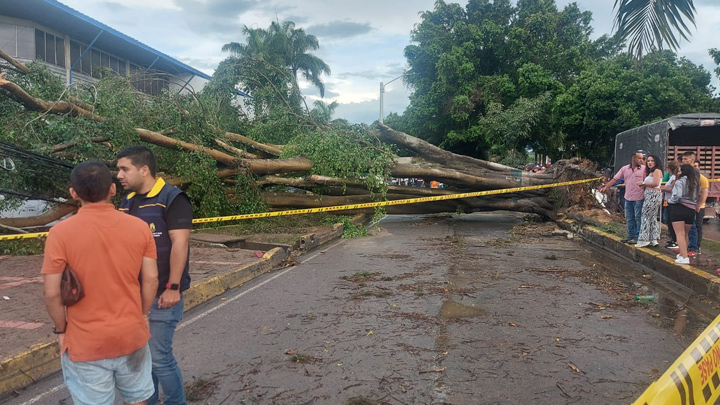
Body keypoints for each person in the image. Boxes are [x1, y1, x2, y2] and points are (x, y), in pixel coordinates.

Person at [42, 161, 159, 405]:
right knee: (138, 400)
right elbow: (151, 279)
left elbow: (52, 294)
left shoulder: (60, 233)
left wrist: (62, 330)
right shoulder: (139, 227)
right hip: (131, 335)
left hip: (86, 342)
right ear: (113, 190)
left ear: (73, 193)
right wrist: (144, 314)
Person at [116, 146, 193, 405]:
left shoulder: (173, 198)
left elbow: (179, 244)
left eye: (124, 168)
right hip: (136, 295)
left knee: (160, 358)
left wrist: (172, 287)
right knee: (144, 360)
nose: (119, 175)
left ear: (144, 169)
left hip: (163, 294)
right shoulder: (127, 202)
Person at [599, 150, 646, 244]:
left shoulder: (644, 169)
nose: (641, 160)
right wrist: (606, 187)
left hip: (639, 197)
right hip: (628, 197)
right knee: (629, 217)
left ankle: (638, 237)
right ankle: (630, 235)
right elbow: (615, 179)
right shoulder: (625, 169)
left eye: (642, 158)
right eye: (639, 158)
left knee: (638, 217)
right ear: (633, 158)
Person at [668, 164, 700, 264]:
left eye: (679, 171)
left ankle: (684, 257)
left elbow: (678, 195)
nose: (678, 173)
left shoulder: (680, 181)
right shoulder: (695, 183)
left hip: (679, 208)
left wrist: (671, 200)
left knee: (679, 234)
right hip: (691, 209)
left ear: (683, 172)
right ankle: (683, 253)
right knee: (685, 233)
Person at [681, 151, 709, 256]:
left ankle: (695, 248)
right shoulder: (685, 173)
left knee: (695, 227)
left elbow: (704, 192)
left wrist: (698, 205)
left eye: (685, 159)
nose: (683, 161)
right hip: (686, 205)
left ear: (692, 161)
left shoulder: (700, 177)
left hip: (696, 206)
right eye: (682, 159)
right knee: (686, 227)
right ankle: (687, 247)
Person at [636, 155, 664, 247]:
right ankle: (653, 238)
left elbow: (656, 183)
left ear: (656, 162)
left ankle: (644, 239)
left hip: (653, 195)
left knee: (645, 216)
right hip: (650, 194)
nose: (650, 163)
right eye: (648, 161)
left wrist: (643, 183)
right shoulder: (652, 171)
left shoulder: (657, 171)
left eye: (652, 161)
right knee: (651, 217)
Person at [662, 161, 681, 249]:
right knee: (668, 220)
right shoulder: (672, 177)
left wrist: (662, 189)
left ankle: (675, 240)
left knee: (671, 221)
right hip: (668, 201)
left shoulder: (674, 178)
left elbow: (671, 189)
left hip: (672, 202)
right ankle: (673, 239)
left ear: (670, 169)